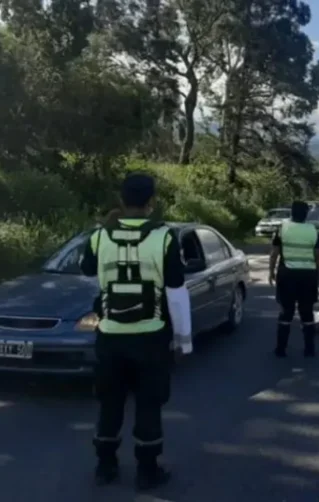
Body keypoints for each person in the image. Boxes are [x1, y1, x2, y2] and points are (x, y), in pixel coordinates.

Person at [79, 173, 193, 490]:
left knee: (110, 403)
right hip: (150, 338)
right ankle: (147, 470)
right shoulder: (165, 237)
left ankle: (105, 466)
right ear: (151, 201)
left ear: (121, 199)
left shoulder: (99, 236)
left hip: (110, 337)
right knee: (149, 405)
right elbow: (176, 290)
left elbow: (86, 269)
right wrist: (183, 341)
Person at [268, 201, 319, 358]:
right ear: (306, 214)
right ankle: (309, 349)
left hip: (287, 275)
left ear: (291, 213)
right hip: (308, 276)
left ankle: (281, 349)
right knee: (307, 312)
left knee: (286, 312)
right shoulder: (313, 231)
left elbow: (274, 253)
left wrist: (271, 272)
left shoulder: (282, 229)